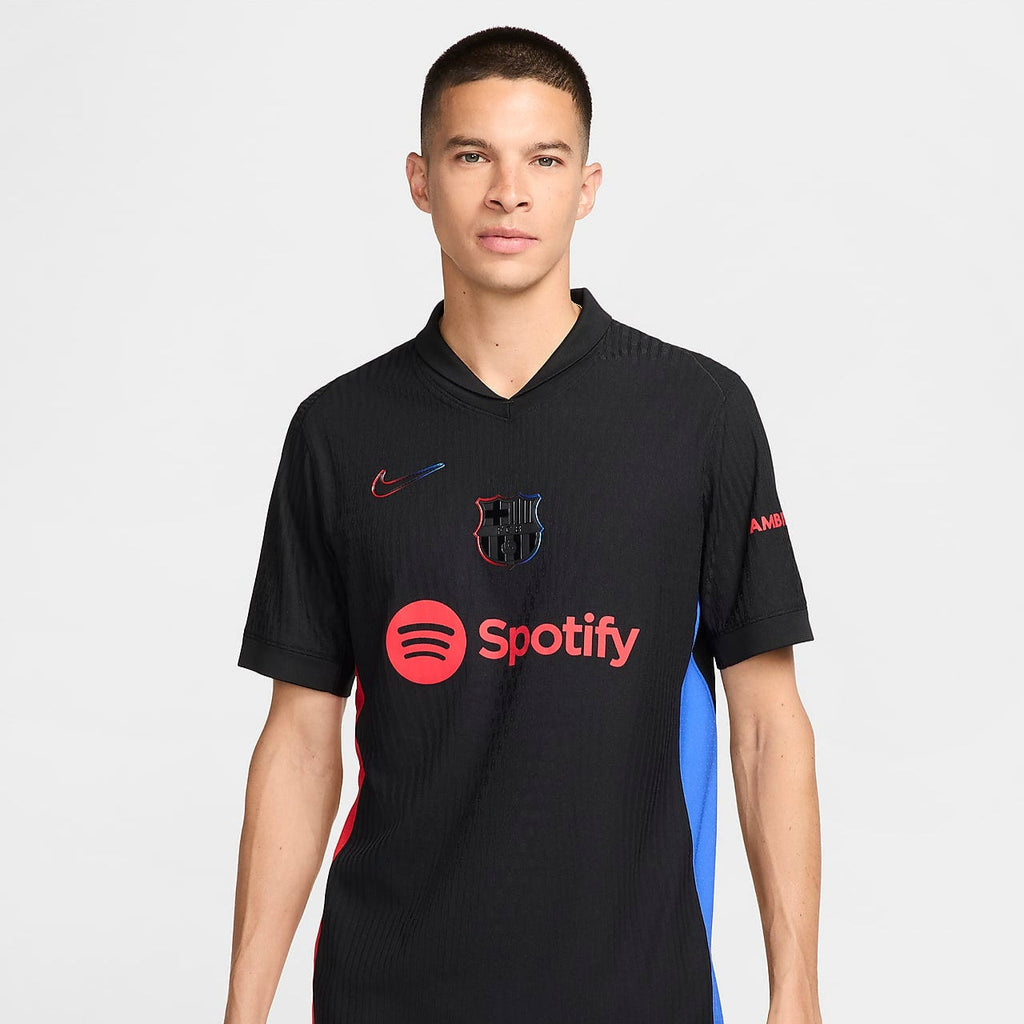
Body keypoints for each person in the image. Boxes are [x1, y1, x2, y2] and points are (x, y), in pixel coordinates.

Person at [225, 24, 823, 1024]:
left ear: (586, 186)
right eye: (473, 156)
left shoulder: (697, 414)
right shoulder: (339, 430)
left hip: (636, 993)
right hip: (391, 992)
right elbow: (298, 738)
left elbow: (767, 725)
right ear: (421, 180)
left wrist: (796, 992)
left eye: (543, 159)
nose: (509, 192)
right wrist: (243, 1007)